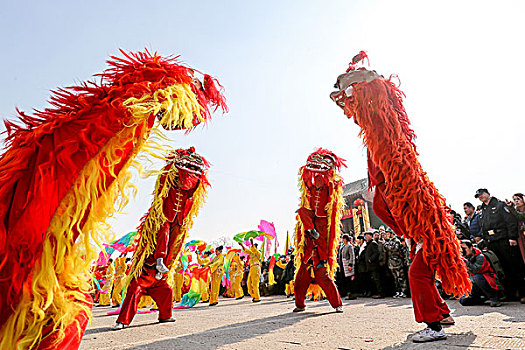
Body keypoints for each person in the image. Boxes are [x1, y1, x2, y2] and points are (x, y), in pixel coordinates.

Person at [476, 188, 525, 302]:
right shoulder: (483, 210)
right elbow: (484, 228)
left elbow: (510, 221)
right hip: (492, 242)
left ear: (488, 194)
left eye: (482, 194)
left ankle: (522, 292)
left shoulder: (499, 205)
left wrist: (512, 237)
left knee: (513, 267)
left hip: (504, 240)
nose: (481, 197)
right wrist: (486, 242)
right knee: (501, 269)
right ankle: (509, 294)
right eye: (478, 196)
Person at [459, 240, 502, 307]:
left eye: (464, 248)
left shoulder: (480, 256)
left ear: (471, 247)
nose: (463, 251)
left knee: (477, 277)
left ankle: (494, 298)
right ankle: (482, 299)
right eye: (461, 249)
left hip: (489, 282)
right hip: (474, 284)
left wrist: (465, 261)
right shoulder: (464, 257)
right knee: (463, 300)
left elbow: (474, 270)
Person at [384, 230, 408, 298]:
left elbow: (394, 249)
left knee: (401, 278)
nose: (387, 235)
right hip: (391, 263)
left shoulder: (396, 241)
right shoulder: (389, 242)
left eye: (388, 233)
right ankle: (398, 291)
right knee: (395, 279)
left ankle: (404, 292)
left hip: (398, 262)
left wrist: (386, 244)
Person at [364, 232, 383, 298]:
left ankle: (380, 293)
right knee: (373, 280)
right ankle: (375, 293)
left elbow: (376, 253)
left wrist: (370, 259)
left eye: (367, 236)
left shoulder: (373, 243)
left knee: (377, 279)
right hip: (369, 266)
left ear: (371, 236)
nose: (366, 237)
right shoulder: (368, 244)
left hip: (374, 265)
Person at [508, 193, 525, 265]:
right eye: (514, 199)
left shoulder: (514, 212)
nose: (516, 201)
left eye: (518, 199)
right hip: (520, 236)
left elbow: (520, 216)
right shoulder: (513, 211)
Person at [339, 234, 355, 299]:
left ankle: (351, 293)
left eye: (343, 238)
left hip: (348, 263)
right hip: (343, 264)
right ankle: (346, 293)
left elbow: (352, 255)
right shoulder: (343, 246)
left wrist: (350, 264)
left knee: (349, 280)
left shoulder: (349, 246)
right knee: (345, 279)